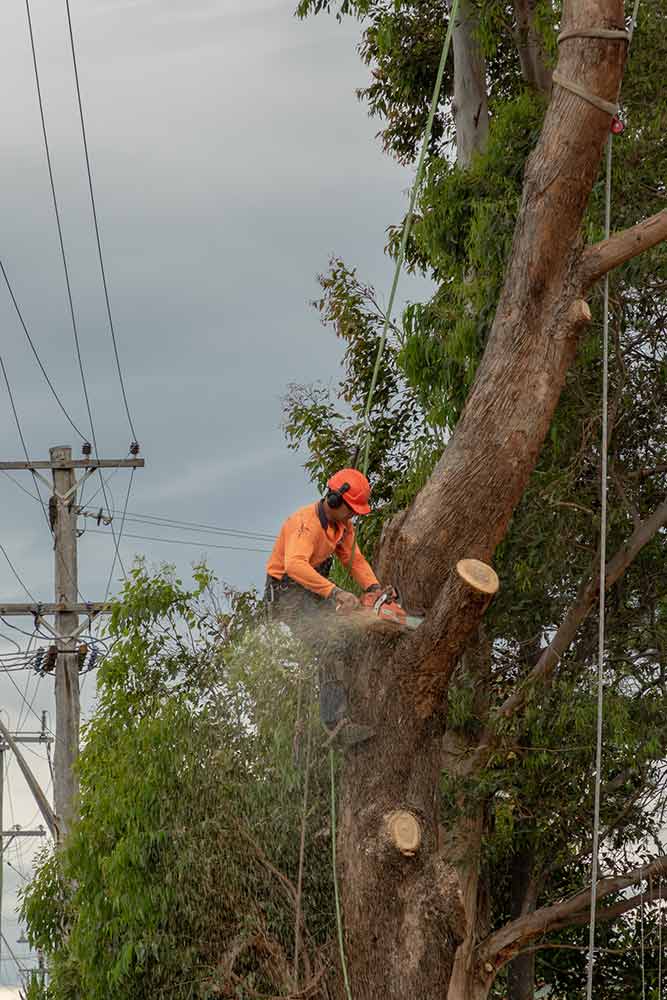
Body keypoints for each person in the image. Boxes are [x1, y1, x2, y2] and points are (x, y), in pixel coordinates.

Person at [265, 468, 386, 745]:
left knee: (348, 638)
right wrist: (336, 592)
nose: (353, 515)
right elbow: (294, 565)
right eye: (351, 509)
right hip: (288, 597)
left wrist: (374, 589)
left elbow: (355, 560)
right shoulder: (304, 523)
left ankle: (345, 704)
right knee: (330, 641)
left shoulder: (342, 527)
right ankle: (335, 726)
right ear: (333, 500)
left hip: (313, 592)